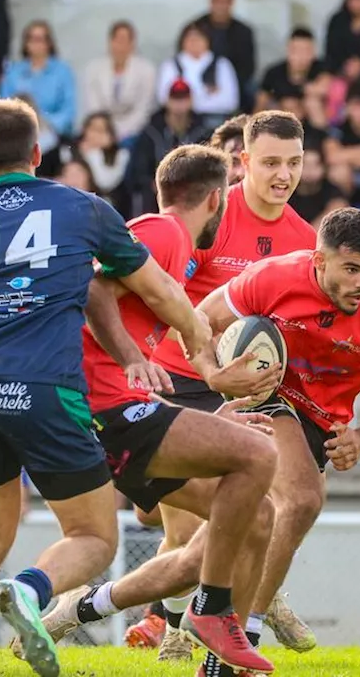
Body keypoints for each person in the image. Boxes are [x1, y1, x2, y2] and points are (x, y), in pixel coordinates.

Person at [0, 98, 211, 677]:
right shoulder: (83, 208)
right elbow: (158, 291)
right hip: (47, 386)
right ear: (37, 153)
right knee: (93, 536)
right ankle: (28, 592)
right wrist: (202, 341)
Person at [147, 111, 360, 656]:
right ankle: (173, 612)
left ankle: (192, 627)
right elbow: (167, 295)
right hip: (182, 373)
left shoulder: (305, 238)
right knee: (179, 524)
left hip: (259, 390)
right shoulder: (210, 213)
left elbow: (339, 317)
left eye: (293, 162)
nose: (283, 174)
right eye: (270, 162)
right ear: (242, 162)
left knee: (267, 507)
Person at [24, 145, 279, 673]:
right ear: (216, 199)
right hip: (104, 402)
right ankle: (210, 610)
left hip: (117, 405)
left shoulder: (172, 244)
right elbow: (94, 288)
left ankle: (219, 662)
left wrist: (210, 392)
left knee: (257, 517)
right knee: (258, 458)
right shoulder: (163, 233)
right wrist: (132, 359)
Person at [192, 207, 360, 677]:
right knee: (303, 500)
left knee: (200, 552)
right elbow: (202, 318)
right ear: (318, 261)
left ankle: (88, 608)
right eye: (350, 269)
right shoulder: (273, 277)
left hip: (320, 423)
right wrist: (214, 375)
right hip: (268, 396)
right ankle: (243, 640)